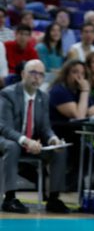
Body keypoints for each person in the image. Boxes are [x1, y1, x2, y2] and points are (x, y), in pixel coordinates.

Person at [0, 60, 70, 213]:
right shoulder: (8, 94)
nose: (36, 77)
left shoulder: (43, 97)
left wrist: (53, 139)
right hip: (7, 140)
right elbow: (4, 128)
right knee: (13, 146)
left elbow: (45, 127)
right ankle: (9, 199)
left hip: (31, 142)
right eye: (32, 72)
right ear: (23, 74)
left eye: (40, 74)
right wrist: (26, 141)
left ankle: (53, 199)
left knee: (60, 150)